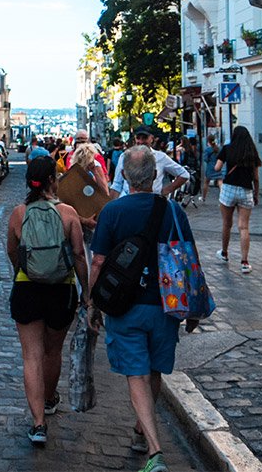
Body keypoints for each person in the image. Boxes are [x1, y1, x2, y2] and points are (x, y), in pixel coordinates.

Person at [90, 147, 195, 472]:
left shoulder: (112, 212)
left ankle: (154, 451)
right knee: (152, 371)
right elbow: (189, 260)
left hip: (125, 306)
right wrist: (192, 309)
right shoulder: (174, 211)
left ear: (123, 175)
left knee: (136, 372)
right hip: (166, 306)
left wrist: (92, 302)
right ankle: (141, 429)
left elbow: (98, 262)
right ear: (154, 176)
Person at [7, 156, 91, 448]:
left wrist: (25, 270)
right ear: (54, 181)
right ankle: (51, 399)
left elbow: (12, 251)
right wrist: (87, 293)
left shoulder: (19, 213)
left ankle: (38, 423)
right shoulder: (68, 213)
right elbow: (80, 255)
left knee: (31, 356)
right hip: (61, 289)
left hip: (27, 289)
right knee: (52, 352)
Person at [213, 125, 262, 274]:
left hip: (228, 189)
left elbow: (217, 168)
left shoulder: (227, 149)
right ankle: (245, 262)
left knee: (227, 224)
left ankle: (224, 253)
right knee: (244, 227)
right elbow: (256, 178)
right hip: (246, 190)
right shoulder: (251, 152)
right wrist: (256, 194)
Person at [110, 128, 188, 199]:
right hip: (128, 200)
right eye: (138, 138)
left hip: (152, 201)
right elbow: (117, 184)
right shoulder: (125, 156)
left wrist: (165, 191)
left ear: (152, 138)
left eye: (144, 138)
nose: (140, 141)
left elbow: (184, 174)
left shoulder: (160, 157)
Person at [200, 134, 220, 205]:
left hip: (210, 167)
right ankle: (222, 199)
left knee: (206, 182)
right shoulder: (218, 148)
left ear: (208, 141)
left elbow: (205, 159)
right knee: (220, 182)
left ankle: (203, 197)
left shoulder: (207, 149)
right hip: (218, 166)